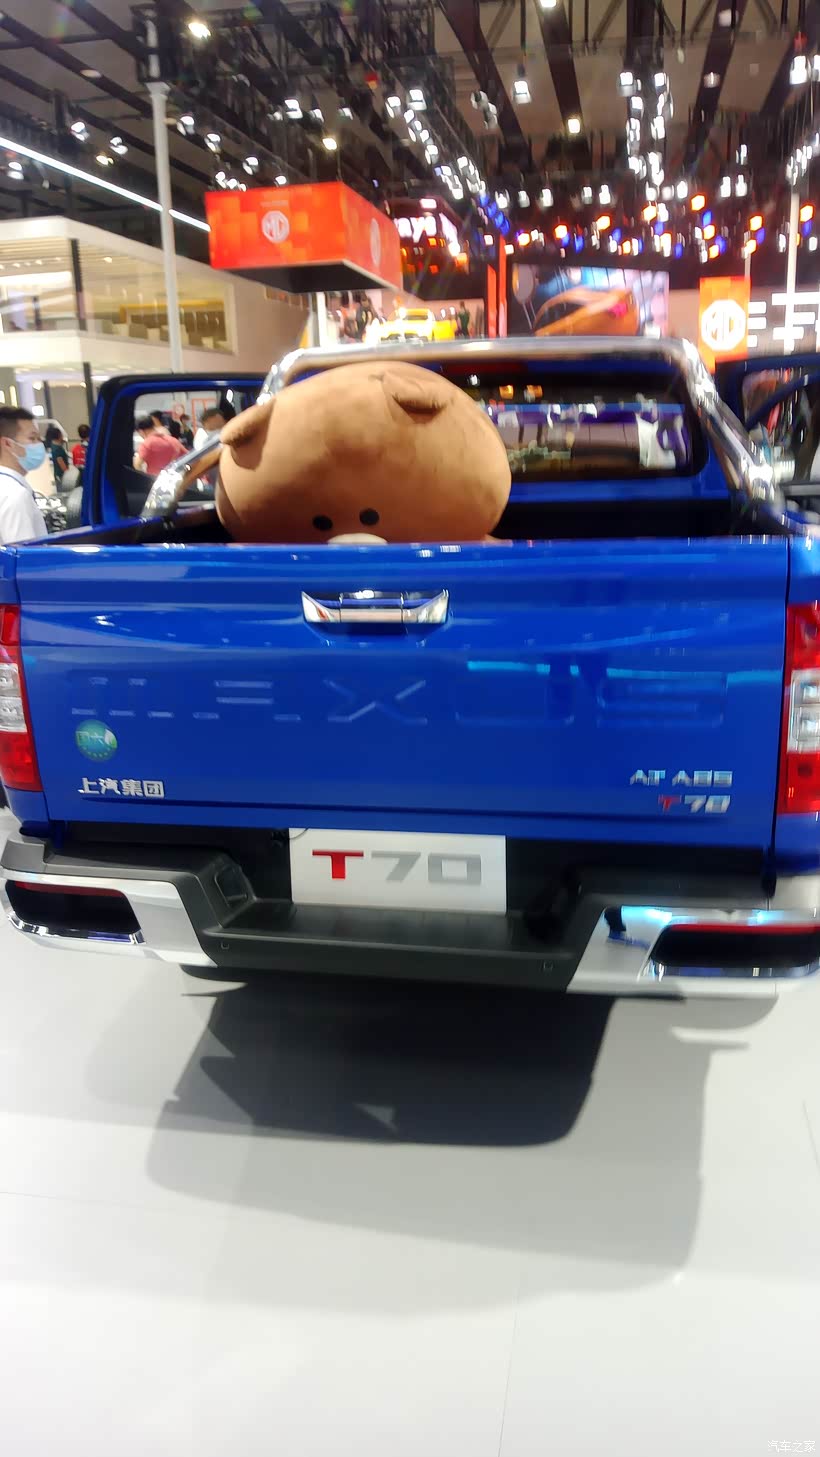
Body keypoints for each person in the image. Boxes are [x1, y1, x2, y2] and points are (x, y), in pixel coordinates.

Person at [0, 406, 47, 544]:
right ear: (8, 444)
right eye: (32, 438)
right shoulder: (14, 494)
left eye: (39, 438)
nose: (39, 444)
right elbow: (22, 554)